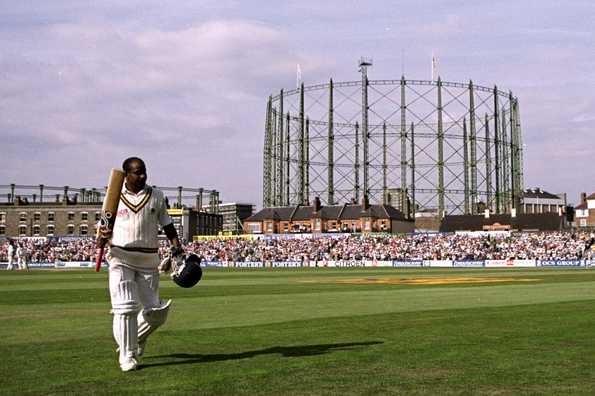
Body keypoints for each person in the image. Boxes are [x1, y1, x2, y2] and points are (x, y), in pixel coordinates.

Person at [97, 157, 183, 372]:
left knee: (156, 312)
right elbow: (102, 232)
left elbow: (168, 226)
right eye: (137, 172)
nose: (142, 176)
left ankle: (131, 341)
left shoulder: (156, 195)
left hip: (148, 259)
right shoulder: (114, 195)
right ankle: (127, 356)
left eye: (144, 171)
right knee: (125, 308)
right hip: (120, 256)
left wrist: (177, 247)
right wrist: (101, 237)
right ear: (126, 174)